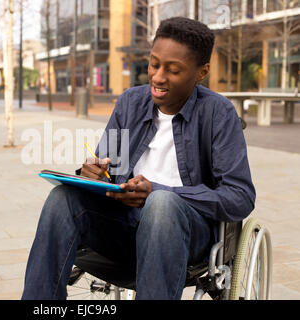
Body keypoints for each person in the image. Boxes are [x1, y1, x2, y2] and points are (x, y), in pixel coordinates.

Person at [21, 17, 256, 300]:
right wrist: (92, 174)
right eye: (154, 64)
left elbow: (240, 196)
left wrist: (158, 191)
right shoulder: (131, 102)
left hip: (186, 235)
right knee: (62, 198)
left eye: (173, 70)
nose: (157, 77)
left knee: (162, 204)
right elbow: (109, 166)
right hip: (124, 228)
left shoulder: (218, 114)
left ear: (201, 72)